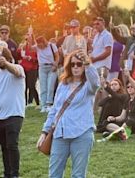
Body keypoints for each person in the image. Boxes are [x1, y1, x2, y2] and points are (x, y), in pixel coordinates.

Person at [37, 49, 99, 178]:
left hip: (81, 132)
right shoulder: (62, 85)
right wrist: (44, 131)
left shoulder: (88, 86)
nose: (76, 67)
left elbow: (95, 83)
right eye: (72, 64)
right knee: (54, 174)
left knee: (78, 175)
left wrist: (88, 64)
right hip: (60, 133)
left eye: (79, 64)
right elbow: (55, 110)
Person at [0, 47, 26, 178]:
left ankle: (15, 174)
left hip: (15, 113)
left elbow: (16, 72)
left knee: (12, 145)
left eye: (1, 57)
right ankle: (7, 173)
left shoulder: (18, 68)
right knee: (4, 147)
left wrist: (6, 63)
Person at [104, 69, 135, 140]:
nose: (130, 88)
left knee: (129, 121)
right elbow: (122, 117)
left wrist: (129, 77)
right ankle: (121, 133)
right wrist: (113, 118)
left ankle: (117, 133)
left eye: (131, 87)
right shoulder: (127, 100)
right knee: (106, 122)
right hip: (126, 125)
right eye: (128, 87)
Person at [32, 36, 59, 112]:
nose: (40, 46)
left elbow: (57, 56)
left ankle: (49, 104)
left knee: (50, 86)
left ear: (44, 42)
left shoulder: (51, 46)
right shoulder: (37, 47)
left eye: (41, 44)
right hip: (42, 67)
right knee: (43, 86)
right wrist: (31, 35)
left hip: (51, 67)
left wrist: (55, 65)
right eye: (38, 45)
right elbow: (30, 48)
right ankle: (43, 105)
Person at [18, 35, 39, 107]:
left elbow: (38, 59)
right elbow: (19, 55)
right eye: (26, 39)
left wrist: (31, 58)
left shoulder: (35, 47)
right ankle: (25, 103)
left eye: (29, 39)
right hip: (24, 68)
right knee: (24, 86)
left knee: (32, 86)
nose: (27, 40)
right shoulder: (23, 47)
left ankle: (37, 102)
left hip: (33, 68)